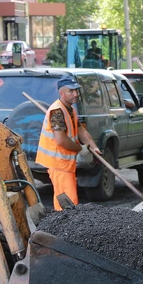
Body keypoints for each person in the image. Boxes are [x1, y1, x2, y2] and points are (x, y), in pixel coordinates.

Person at [36, 75, 101, 210]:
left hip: (64, 163)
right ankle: (62, 229)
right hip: (58, 164)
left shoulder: (70, 109)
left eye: (76, 90)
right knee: (68, 203)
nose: (76, 94)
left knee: (66, 202)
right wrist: (80, 149)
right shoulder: (57, 112)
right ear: (61, 93)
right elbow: (61, 140)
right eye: (71, 91)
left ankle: (62, 228)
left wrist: (94, 148)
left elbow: (81, 130)